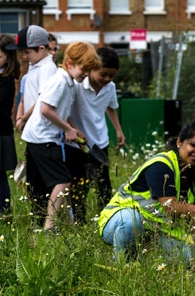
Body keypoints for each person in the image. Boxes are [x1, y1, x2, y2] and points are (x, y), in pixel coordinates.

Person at [98, 121, 195, 264]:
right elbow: (170, 206)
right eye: (193, 145)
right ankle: (119, 264)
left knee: (191, 257)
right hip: (119, 222)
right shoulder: (161, 164)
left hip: (154, 233)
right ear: (179, 142)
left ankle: (140, 259)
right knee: (133, 221)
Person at [20, 41, 100, 233]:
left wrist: (73, 128)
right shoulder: (60, 81)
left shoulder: (69, 82)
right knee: (63, 181)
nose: (86, 74)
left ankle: (67, 223)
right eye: (84, 69)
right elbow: (46, 109)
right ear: (70, 63)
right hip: (42, 138)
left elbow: (60, 110)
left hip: (43, 137)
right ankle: (50, 226)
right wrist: (67, 129)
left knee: (52, 182)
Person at [67, 47, 126, 224]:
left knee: (103, 185)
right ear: (91, 68)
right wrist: (73, 129)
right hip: (78, 144)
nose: (107, 79)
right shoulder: (76, 85)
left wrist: (118, 129)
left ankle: (106, 219)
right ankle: (79, 221)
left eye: (111, 76)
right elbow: (65, 110)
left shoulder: (110, 87)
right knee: (79, 186)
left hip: (100, 142)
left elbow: (110, 106)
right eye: (103, 74)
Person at [9, 25, 58, 215]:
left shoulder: (48, 69)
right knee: (33, 181)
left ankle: (45, 218)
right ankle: (36, 217)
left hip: (43, 132)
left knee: (42, 182)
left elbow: (41, 99)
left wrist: (23, 119)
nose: (24, 56)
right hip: (32, 131)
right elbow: (25, 94)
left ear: (42, 49)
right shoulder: (34, 66)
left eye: (27, 52)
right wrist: (20, 116)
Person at [0, 35, 21, 216]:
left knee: (0, 177)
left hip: (1, 133)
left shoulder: (5, 80)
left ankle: (5, 214)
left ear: (8, 58)